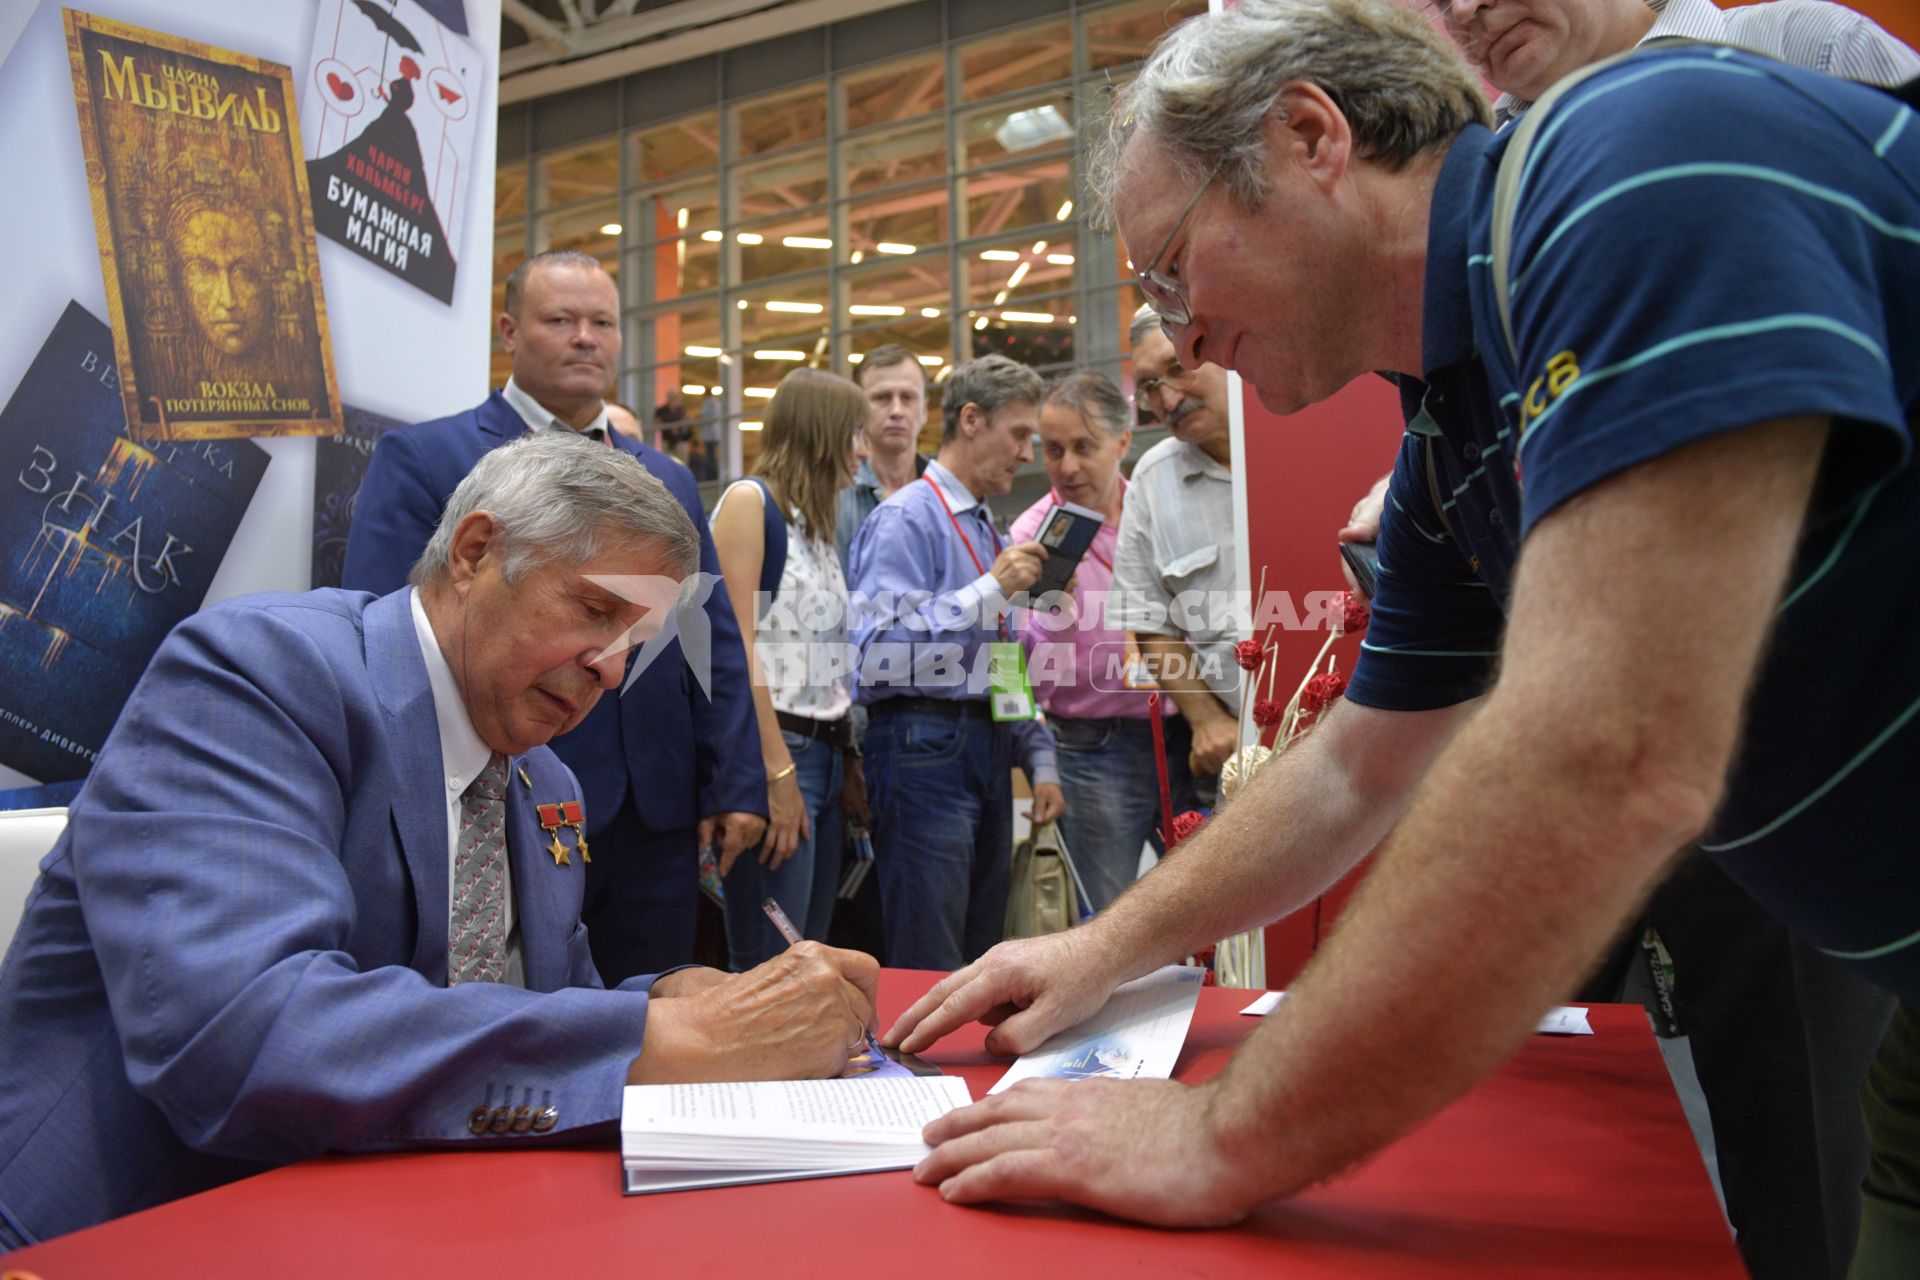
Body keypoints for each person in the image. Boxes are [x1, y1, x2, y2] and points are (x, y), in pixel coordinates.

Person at [882, 7, 1920, 1276]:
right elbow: (1356, 763)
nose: (1183, 336)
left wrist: (1223, 1134)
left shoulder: (1631, 155)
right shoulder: (1451, 429)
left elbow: (1614, 747)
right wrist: (1103, 944)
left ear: (1312, 134)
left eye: (1169, 271)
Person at [1331, 4, 1920, 1272]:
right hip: (1625, 766)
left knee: (1799, 1134)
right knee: (1584, 1110)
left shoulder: (1785, 58)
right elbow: (1364, 753)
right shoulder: (1483, 227)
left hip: (1781, 767)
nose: (1470, 11)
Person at [0, 433, 880, 1251]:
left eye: (635, 644)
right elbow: (244, 1037)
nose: (613, 668)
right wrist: (676, 1039)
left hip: (382, 1221)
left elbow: (533, 1009)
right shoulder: (258, 674)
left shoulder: (544, 781)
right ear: (473, 553)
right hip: (140, 1231)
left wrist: (684, 995)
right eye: (596, 611)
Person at [342, 249, 765, 983]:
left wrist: (735, 781)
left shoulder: (664, 479)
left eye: (601, 322)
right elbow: (390, 629)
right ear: (509, 330)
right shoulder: (426, 458)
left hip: (655, 812)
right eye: (560, 320)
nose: (584, 338)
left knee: (650, 1016)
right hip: (500, 795)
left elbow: (708, 639)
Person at [849, 354, 1065, 970]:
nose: (1028, 453)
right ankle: (926, 1070)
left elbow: (997, 657)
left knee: (979, 958)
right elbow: (874, 659)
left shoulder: (985, 530)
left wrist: (1037, 755)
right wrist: (986, 592)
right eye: (1019, 434)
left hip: (983, 751)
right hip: (923, 749)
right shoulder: (904, 519)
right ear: (971, 420)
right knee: (931, 960)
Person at [1009, 371, 1194, 910]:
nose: (1067, 467)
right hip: (1092, 751)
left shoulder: (1158, 511)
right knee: (1108, 917)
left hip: (1183, 734)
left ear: (1122, 441)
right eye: (1055, 450)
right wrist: (1056, 611)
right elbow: (1021, 668)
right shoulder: (1031, 538)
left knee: (1200, 905)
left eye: (1084, 447)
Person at [709, 368, 867, 967]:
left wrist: (845, 759)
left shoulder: (815, 524)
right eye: (855, 433)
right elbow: (733, 646)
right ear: (821, 432)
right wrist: (777, 774)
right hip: (779, 751)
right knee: (770, 961)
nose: (862, 451)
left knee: (809, 955)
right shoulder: (751, 503)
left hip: (824, 754)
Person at [1111, 305, 1240, 795]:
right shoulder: (1152, 479)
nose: (1165, 398)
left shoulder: (1302, 431)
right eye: (1148, 386)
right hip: (1241, 754)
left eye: (1177, 368)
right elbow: (1150, 624)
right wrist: (1207, 721)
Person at [836, 344, 933, 574]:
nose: (897, 410)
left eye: (908, 397)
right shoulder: (835, 497)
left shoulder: (947, 494)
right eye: (882, 398)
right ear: (857, 410)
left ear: (925, 411)